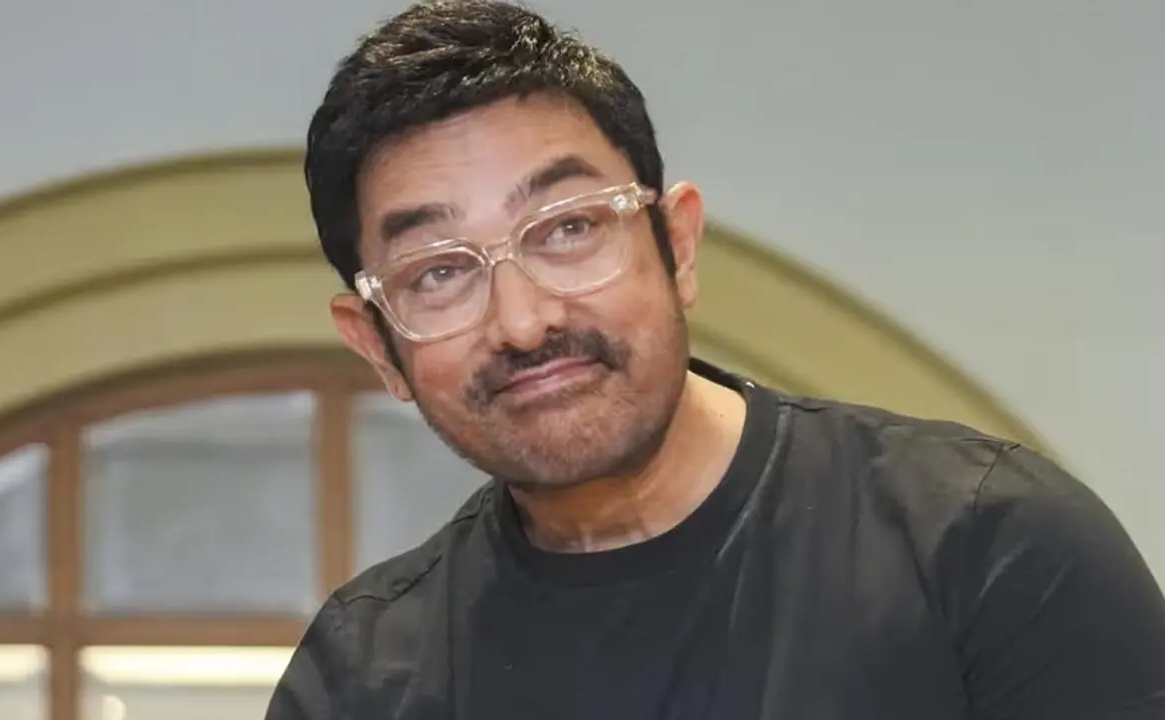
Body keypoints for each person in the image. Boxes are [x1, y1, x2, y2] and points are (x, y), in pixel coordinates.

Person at [266, 1, 1165, 717]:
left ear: (680, 244)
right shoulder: (364, 679)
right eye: (439, 273)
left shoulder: (983, 549)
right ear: (376, 345)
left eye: (569, 228)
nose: (525, 322)